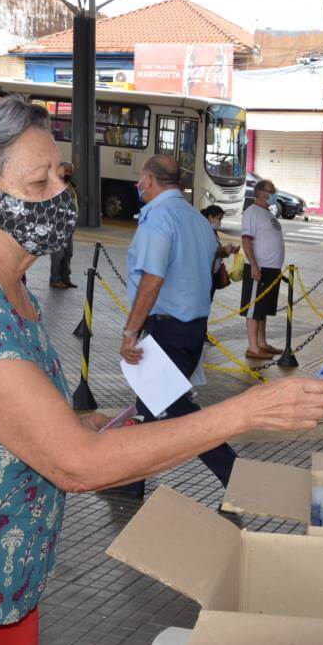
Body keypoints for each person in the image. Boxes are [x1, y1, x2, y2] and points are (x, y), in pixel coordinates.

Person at [0, 96, 323, 644]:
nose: (62, 196)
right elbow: (77, 467)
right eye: (39, 185)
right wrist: (244, 413)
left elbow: (5, 424)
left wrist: (83, 424)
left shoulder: (5, 284)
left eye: (60, 177)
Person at [120, 156, 243, 493]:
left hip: (166, 330)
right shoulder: (198, 220)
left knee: (177, 411)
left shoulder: (159, 219)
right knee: (150, 405)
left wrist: (131, 332)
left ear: (147, 180)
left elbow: (152, 279)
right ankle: (131, 481)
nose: (139, 186)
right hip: (192, 329)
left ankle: (234, 473)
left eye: (140, 180)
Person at [240, 179, 285, 360]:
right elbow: (246, 240)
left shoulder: (268, 213)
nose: (273, 194)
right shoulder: (252, 212)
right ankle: (253, 347)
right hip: (258, 269)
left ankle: (261, 343)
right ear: (259, 192)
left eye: (274, 191)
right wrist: (254, 265)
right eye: (270, 191)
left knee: (262, 308)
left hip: (271, 269)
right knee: (253, 309)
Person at [200, 204, 239, 301]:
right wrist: (224, 251)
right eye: (218, 219)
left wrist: (229, 250)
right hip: (204, 276)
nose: (220, 222)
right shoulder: (203, 231)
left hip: (212, 274)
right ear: (210, 217)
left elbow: (215, 250)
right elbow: (208, 252)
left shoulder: (212, 231)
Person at [48, 161, 77, 289]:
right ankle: (54, 279)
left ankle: (65, 278)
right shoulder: (55, 185)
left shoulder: (69, 185)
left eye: (70, 171)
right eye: (67, 171)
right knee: (57, 254)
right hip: (58, 225)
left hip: (69, 226)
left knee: (68, 253)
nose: (69, 173)